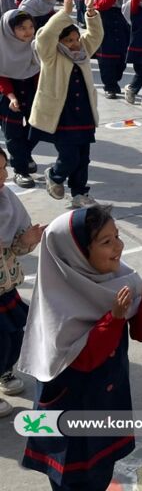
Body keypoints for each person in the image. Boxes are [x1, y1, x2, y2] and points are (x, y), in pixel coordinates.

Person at [19, 207, 142, 490]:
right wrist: (113, 319)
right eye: (106, 241)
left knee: (101, 469)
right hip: (70, 410)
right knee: (72, 478)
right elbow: (84, 359)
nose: (119, 246)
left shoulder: (121, 280)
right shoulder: (57, 299)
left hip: (106, 400)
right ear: (75, 253)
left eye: (117, 236)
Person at [31, 0, 104, 208]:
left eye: (76, 39)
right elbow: (45, 37)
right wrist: (65, 13)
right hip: (62, 116)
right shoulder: (50, 55)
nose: (74, 44)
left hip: (84, 115)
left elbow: (95, 35)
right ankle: (54, 175)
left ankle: (80, 193)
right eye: (68, 40)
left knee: (83, 158)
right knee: (70, 156)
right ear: (59, 42)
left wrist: (90, 11)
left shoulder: (83, 51)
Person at [0, 148, 43, 416]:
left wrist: (26, 241)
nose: (4, 175)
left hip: (6, 286)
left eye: (4, 167)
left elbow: (14, 247)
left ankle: (5, 371)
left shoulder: (7, 199)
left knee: (16, 334)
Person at [0, 9, 41, 188]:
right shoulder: (2, 46)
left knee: (38, 127)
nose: (28, 31)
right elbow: (1, 76)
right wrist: (11, 97)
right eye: (22, 28)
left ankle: (24, 155)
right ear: (10, 30)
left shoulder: (35, 45)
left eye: (31, 26)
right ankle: (20, 170)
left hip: (32, 90)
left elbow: (39, 70)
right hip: (8, 94)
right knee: (13, 134)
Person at [90, 0, 131, 99]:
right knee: (107, 64)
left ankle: (114, 83)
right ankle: (110, 87)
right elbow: (102, 5)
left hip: (120, 34)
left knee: (121, 64)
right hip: (105, 36)